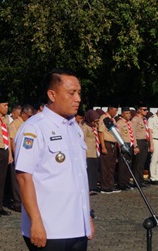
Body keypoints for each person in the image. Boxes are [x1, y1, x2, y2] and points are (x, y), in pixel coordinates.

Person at [15, 68, 94, 251]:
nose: (78, 99)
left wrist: (86, 216)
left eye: (79, 93)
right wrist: (35, 222)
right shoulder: (34, 128)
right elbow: (24, 177)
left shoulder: (74, 128)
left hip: (76, 227)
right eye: (71, 93)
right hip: (50, 229)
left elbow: (79, 178)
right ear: (52, 94)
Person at [8, 104, 35, 212]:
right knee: (16, 180)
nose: (30, 118)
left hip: (27, 155)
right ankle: (17, 202)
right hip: (18, 155)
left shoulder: (27, 124)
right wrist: (16, 155)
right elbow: (12, 140)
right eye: (29, 116)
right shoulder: (15, 124)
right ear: (23, 114)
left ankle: (24, 200)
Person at [98, 104, 120, 194]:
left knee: (112, 166)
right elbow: (101, 133)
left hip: (113, 144)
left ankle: (110, 185)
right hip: (106, 143)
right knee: (105, 166)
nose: (116, 112)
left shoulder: (112, 119)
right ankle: (105, 186)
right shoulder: (104, 118)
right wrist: (103, 146)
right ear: (110, 109)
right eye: (115, 110)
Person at [115, 107, 136, 191]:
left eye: (129, 113)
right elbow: (117, 136)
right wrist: (119, 146)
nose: (129, 115)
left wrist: (135, 145)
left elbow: (133, 135)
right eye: (127, 113)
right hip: (124, 144)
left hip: (130, 144)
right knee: (123, 165)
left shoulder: (130, 123)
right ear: (122, 114)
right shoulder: (119, 123)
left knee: (129, 164)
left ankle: (126, 182)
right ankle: (121, 183)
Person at [80, 109, 101, 194]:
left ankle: (93, 186)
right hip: (88, 152)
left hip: (95, 152)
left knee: (94, 170)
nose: (95, 122)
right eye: (94, 120)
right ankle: (89, 188)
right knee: (89, 170)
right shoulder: (85, 127)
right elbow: (82, 139)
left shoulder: (94, 127)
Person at [130, 102, 150, 187]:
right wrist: (135, 145)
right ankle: (137, 181)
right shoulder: (135, 119)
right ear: (139, 110)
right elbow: (133, 133)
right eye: (144, 110)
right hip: (139, 141)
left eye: (146, 109)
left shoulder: (144, 119)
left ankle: (141, 180)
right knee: (137, 163)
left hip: (145, 141)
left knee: (142, 163)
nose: (146, 111)